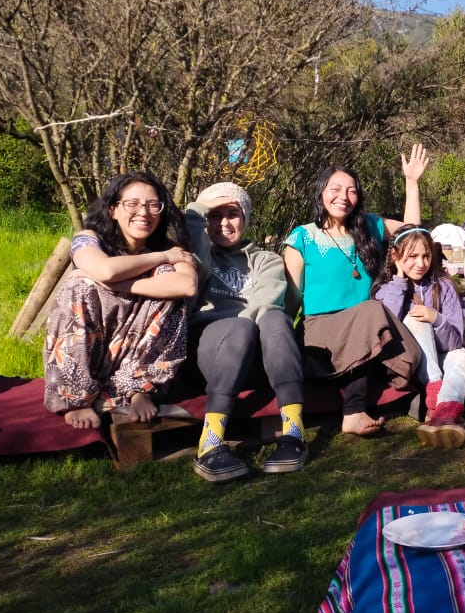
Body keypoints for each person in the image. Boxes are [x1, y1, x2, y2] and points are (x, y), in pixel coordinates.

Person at [283, 150, 429, 436]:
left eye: (351, 191)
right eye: (335, 189)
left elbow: (412, 234)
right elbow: (291, 298)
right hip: (320, 329)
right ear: (321, 192)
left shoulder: (370, 226)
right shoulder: (303, 237)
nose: (343, 196)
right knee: (371, 310)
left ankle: (424, 396)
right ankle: (354, 411)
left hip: (366, 327)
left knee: (378, 322)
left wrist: (412, 183)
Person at [43, 171, 197, 429]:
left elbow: (187, 285)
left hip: (135, 353)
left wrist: (123, 284)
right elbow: (106, 271)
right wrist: (161, 257)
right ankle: (76, 398)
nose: (143, 212)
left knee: (170, 286)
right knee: (79, 285)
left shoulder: (170, 246)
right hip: (94, 346)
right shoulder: (89, 239)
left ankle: (139, 389)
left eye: (153, 205)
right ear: (113, 210)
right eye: (132, 204)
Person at [185, 182, 308, 481]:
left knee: (275, 318)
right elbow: (193, 268)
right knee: (241, 326)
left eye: (232, 214)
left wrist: (250, 328)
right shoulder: (198, 257)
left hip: (259, 358)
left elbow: (267, 301)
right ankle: (210, 441)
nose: (224, 223)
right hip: (211, 356)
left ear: (245, 218)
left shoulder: (267, 260)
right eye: (215, 215)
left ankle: (294, 431)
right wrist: (199, 211)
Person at [374, 227, 465, 448]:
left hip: (441, 355)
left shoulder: (444, 286)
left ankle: (445, 412)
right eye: (412, 256)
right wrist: (399, 282)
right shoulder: (385, 289)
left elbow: (454, 342)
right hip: (408, 361)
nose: (421, 263)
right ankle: (436, 391)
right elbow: (385, 327)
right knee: (416, 319)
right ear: (395, 255)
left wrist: (436, 318)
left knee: (461, 355)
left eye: (426, 256)